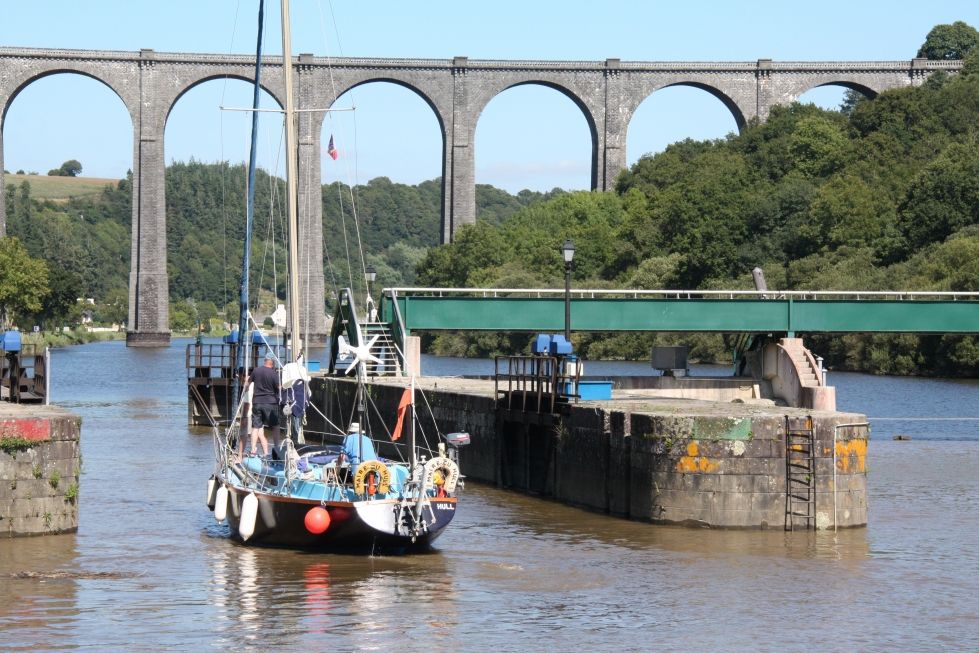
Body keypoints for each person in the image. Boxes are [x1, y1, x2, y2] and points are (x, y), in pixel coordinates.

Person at [248, 351, 281, 457]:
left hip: (257, 402)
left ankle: (253, 450)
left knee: (255, 427)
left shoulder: (256, 370)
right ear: (272, 362)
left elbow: (248, 383)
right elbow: (279, 388)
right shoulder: (274, 374)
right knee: (275, 426)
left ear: (265, 360)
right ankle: (277, 448)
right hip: (270, 403)